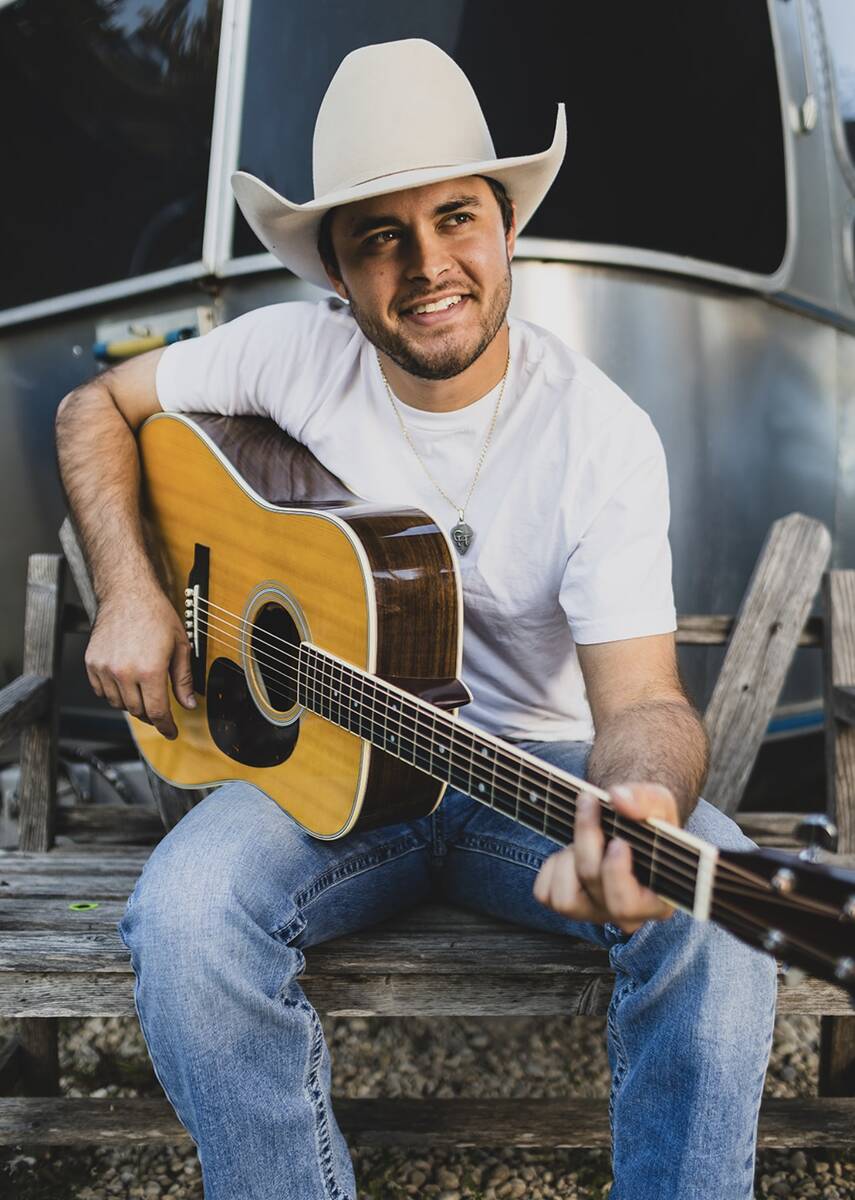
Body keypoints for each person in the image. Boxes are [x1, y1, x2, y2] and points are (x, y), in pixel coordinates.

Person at [55, 38, 776, 1200]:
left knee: (725, 900)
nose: (427, 264)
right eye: (379, 235)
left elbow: (642, 700)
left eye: (454, 219)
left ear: (506, 227)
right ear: (335, 274)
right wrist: (137, 589)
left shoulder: (598, 432)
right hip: (325, 782)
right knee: (183, 923)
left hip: (521, 777)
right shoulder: (292, 353)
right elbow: (95, 404)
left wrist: (640, 807)